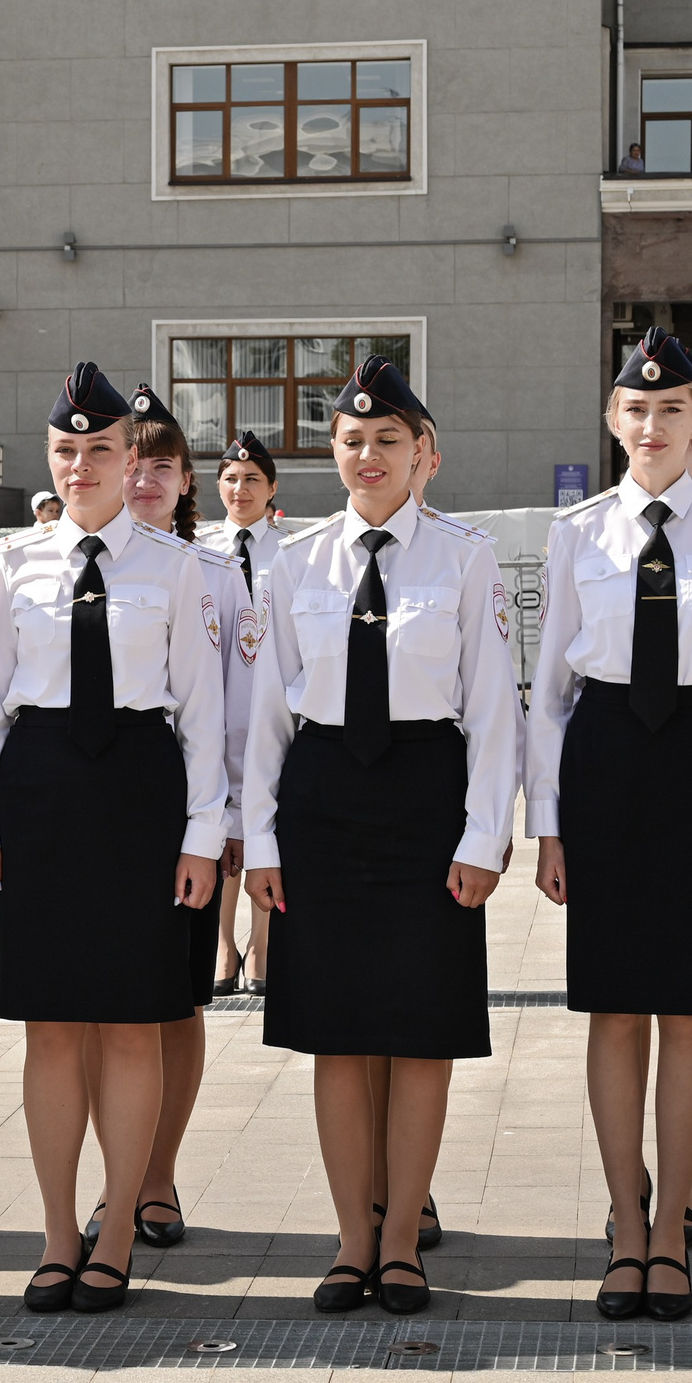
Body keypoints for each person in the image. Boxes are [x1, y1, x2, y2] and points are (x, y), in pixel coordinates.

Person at [244, 357, 520, 1316]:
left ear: (426, 457)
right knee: (337, 1036)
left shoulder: (465, 556)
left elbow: (492, 711)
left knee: (417, 1032)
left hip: (424, 800)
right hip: (322, 802)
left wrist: (487, 836)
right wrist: (263, 843)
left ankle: (402, 1239)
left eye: (389, 440)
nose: (368, 454)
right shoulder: (295, 561)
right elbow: (265, 719)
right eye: (353, 440)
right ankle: (349, 1239)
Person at [527, 328, 692, 1323]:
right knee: (612, 1005)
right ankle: (623, 1217)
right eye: (635, 410)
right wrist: (545, 824)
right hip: (603, 766)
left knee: (689, 1006)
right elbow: (548, 690)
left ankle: (672, 1223)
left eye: (671, 410)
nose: (650, 426)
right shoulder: (577, 532)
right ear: (611, 418)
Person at [0, 363, 225, 1314]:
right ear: (51, 458)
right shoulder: (16, 563)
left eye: (99, 450)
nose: (82, 466)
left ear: (129, 460)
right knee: (51, 1025)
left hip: (139, 799)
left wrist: (203, 837)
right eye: (65, 451)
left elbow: (200, 712)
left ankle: (117, 1233)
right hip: (41, 799)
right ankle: (57, 1231)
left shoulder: (177, 566)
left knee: (131, 1020)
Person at [107, 388, 253, 1256]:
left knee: (174, 1001)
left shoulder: (216, 575)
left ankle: (156, 1174)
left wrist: (231, 815)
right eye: (133, 459)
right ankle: (112, 1181)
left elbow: (236, 710)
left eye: (162, 462)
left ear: (186, 477)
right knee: (97, 1007)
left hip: (186, 814)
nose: (143, 477)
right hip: (102, 814)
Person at [200, 430, 284, 996]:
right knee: (222, 822)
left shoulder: (293, 550)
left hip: (273, 710)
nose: (240, 488)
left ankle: (264, 940)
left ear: (272, 488)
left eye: (252, 478)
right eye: (230, 478)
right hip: (218, 708)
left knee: (266, 824)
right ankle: (221, 941)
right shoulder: (201, 550)